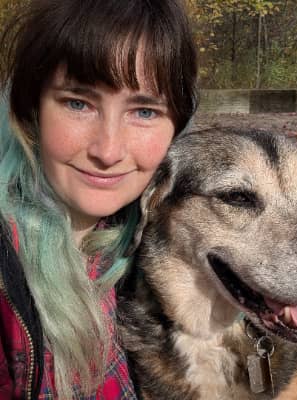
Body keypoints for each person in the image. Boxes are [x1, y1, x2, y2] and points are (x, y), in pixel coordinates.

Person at [0, 0, 198, 398]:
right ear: (32, 110)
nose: (107, 151)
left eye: (144, 111)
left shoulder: (160, 239)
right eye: (78, 103)